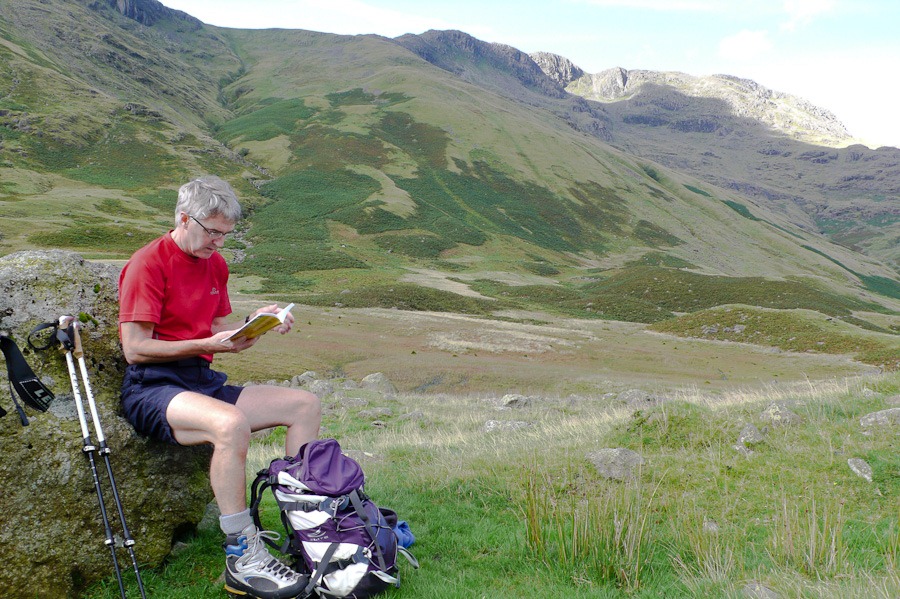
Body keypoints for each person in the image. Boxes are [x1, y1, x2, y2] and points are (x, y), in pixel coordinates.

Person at [118, 175, 321, 599]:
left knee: (304, 404)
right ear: (183, 218)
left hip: (200, 381)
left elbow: (217, 329)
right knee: (230, 424)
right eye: (212, 232)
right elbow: (135, 349)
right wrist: (207, 345)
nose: (219, 242)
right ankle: (242, 555)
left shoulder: (216, 264)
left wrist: (254, 324)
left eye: (225, 234)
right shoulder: (147, 263)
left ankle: (307, 531)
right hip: (152, 387)